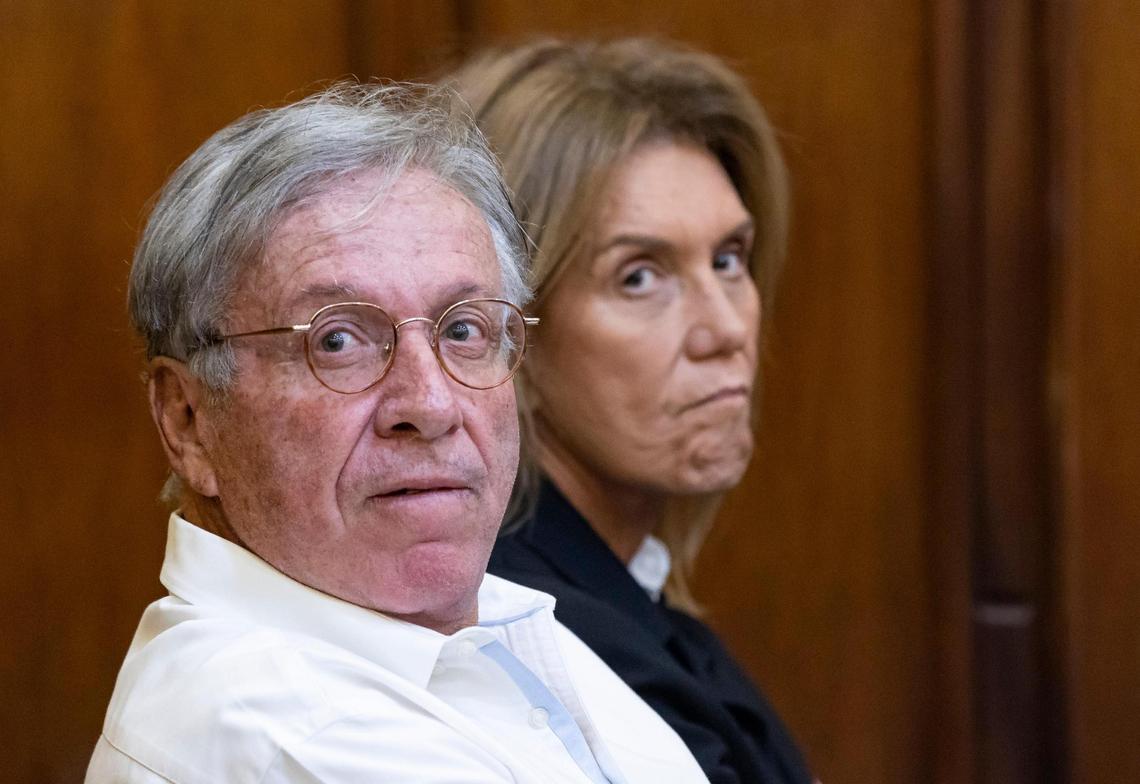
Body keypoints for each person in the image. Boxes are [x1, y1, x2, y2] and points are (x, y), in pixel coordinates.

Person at [86, 82, 710, 783]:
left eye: (464, 329)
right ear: (188, 421)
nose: (431, 402)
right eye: (338, 341)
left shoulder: (479, 617)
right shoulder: (281, 733)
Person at [446, 38, 815, 784]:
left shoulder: (622, 592)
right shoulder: (523, 640)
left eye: (729, 259)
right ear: (504, 334)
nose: (728, 329)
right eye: (640, 276)